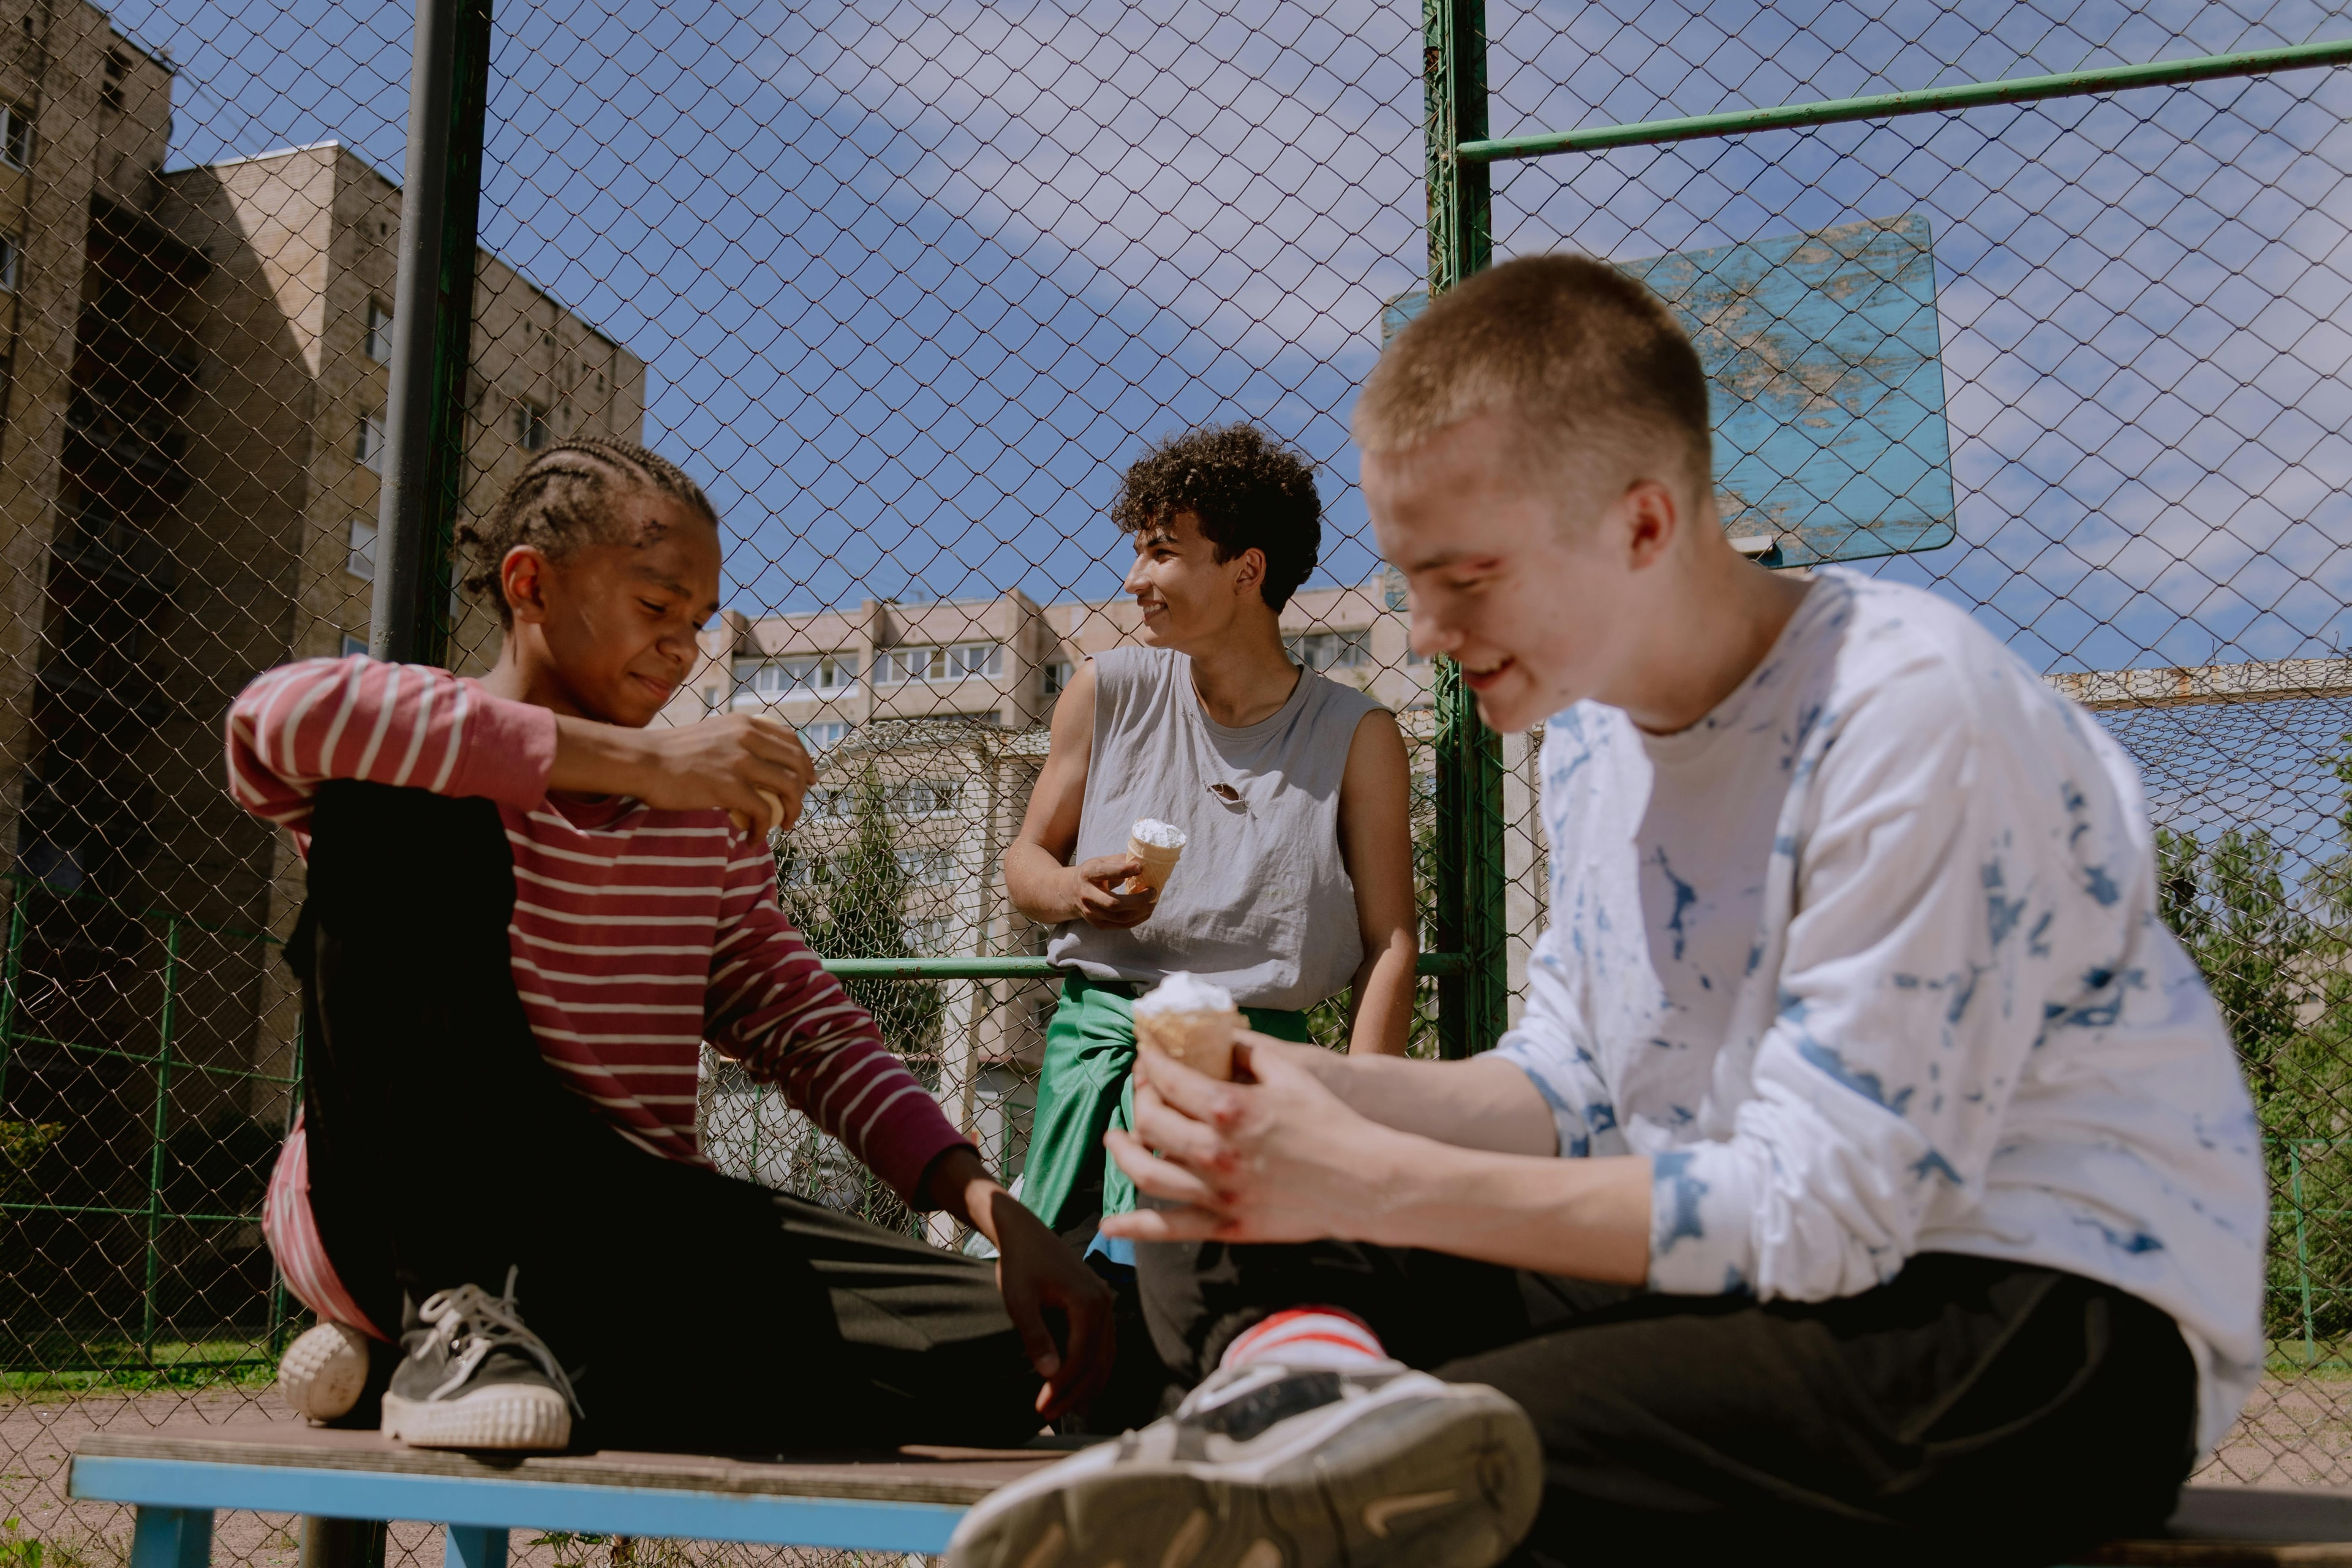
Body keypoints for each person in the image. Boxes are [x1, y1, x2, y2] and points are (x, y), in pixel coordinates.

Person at [948, 258, 2266, 1568]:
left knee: (1484, 1451)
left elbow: (1830, 1210)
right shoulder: (1589, 738)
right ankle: (1301, 1405)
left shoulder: (1909, 715)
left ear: (1641, 524)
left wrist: (1376, 1167)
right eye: (1410, 577)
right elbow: (1571, 1085)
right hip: (1742, 1266)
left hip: (2033, 1312)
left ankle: (1322, 1458)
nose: (1421, 630)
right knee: (1219, 1209)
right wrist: (1290, 1088)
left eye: (1463, 575)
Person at [238, 436, 1110, 1454]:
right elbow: (277, 716)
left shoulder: (699, 825)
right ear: (531, 584)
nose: (681, 649)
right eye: (656, 609)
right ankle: (444, 1312)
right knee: (401, 802)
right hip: (391, 1209)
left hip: (620, 1227)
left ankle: (485, 1359)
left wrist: (992, 1208)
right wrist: (644, 762)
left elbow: (805, 1026)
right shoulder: (425, 739)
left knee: (1045, 1364)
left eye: (696, 625)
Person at [1001, 426, 1418, 1317]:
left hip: (1258, 1071)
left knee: (1216, 1329)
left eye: (1161, 552)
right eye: (1137, 550)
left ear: (1246, 569)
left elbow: (1392, 942)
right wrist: (1072, 891)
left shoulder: (1357, 735)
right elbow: (1023, 863)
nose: (1133, 578)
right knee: (1064, 1325)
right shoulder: (1105, 687)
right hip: (1096, 1053)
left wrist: (1357, 1118)